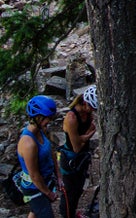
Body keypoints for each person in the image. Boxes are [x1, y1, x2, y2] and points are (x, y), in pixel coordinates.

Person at [16, 95, 60, 218]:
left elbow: (50, 152)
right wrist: (48, 193)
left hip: (44, 181)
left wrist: (59, 176)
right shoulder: (28, 143)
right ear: (38, 117)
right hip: (34, 188)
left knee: (35, 212)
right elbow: (34, 175)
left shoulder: (41, 131)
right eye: (47, 118)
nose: (49, 121)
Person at [58, 85, 97, 218]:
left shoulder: (88, 114)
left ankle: (73, 214)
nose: (92, 111)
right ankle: (67, 215)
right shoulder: (71, 118)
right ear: (85, 103)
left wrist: (83, 137)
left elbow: (81, 141)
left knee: (78, 189)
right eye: (91, 107)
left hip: (81, 158)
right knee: (69, 193)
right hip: (70, 159)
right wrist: (90, 133)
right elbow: (76, 146)